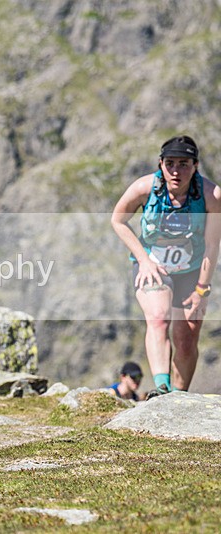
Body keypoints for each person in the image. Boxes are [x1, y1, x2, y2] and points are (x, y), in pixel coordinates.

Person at [111, 136, 221, 398]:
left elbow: (212, 245)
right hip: (153, 266)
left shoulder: (210, 195)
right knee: (159, 318)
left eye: (184, 164)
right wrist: (144, 259)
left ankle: (177, 397)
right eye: (170, 163)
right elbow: (118, 220)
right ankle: (162, 387)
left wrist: (202, 290)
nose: (176, 171)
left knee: (186, 338)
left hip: (192, 271)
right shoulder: (143, 188)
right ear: (160, 164)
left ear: (195, 166)